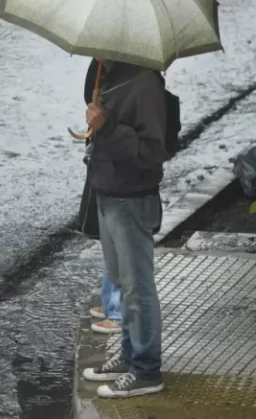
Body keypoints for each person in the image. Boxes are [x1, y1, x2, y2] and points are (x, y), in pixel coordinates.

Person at [81, 59, 166, 399]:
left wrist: (108, 126)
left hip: (131, 199)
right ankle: (131, 356)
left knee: (137, 288)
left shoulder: (144, 84)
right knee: (120, 281)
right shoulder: (109, 72)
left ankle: (146, 370)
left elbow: (152, 152)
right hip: (108, 193)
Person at [83, 59, 123, 336]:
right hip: (106, 163)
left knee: (119, 240)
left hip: (122, 173)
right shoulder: (108, 65)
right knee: (109, 238)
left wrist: (104, 124)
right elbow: (90, 93)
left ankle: (119, 312)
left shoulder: (137, 80)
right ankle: (111, 303)